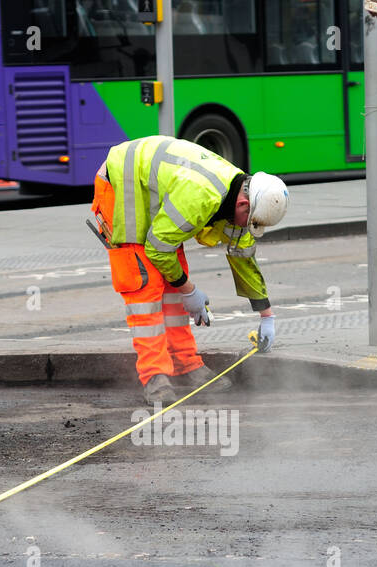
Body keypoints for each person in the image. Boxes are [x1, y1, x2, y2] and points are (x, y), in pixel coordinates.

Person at [91, 136, 289, 404]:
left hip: (152, 190)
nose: (247, 227)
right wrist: (190, 290)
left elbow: (242, 254)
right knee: (145, 283)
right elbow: (158, 248)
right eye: (250, 222)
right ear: (244, 205)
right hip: (123, 181)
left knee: (174, 277)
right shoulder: (201, 195)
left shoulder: (241, 191)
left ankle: (186, 365)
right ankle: (155, 377)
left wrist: (267, 315)